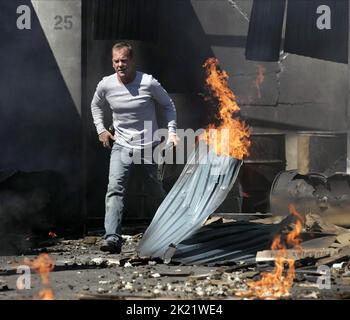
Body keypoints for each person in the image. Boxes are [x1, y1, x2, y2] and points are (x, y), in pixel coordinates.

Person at [91, 42, 178, 253]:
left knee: (156, 192)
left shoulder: (148, 83)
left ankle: (170, 234)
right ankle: (112, 238)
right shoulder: (106, 85)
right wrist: (101, 129)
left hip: (148, 147)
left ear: (132, 61)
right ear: (112, 63)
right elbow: (96, 105)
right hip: (121, 146)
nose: (120, 65)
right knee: (115, 190)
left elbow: (168, 105)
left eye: (124, 60)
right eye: (116, 61)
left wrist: (172, 132)